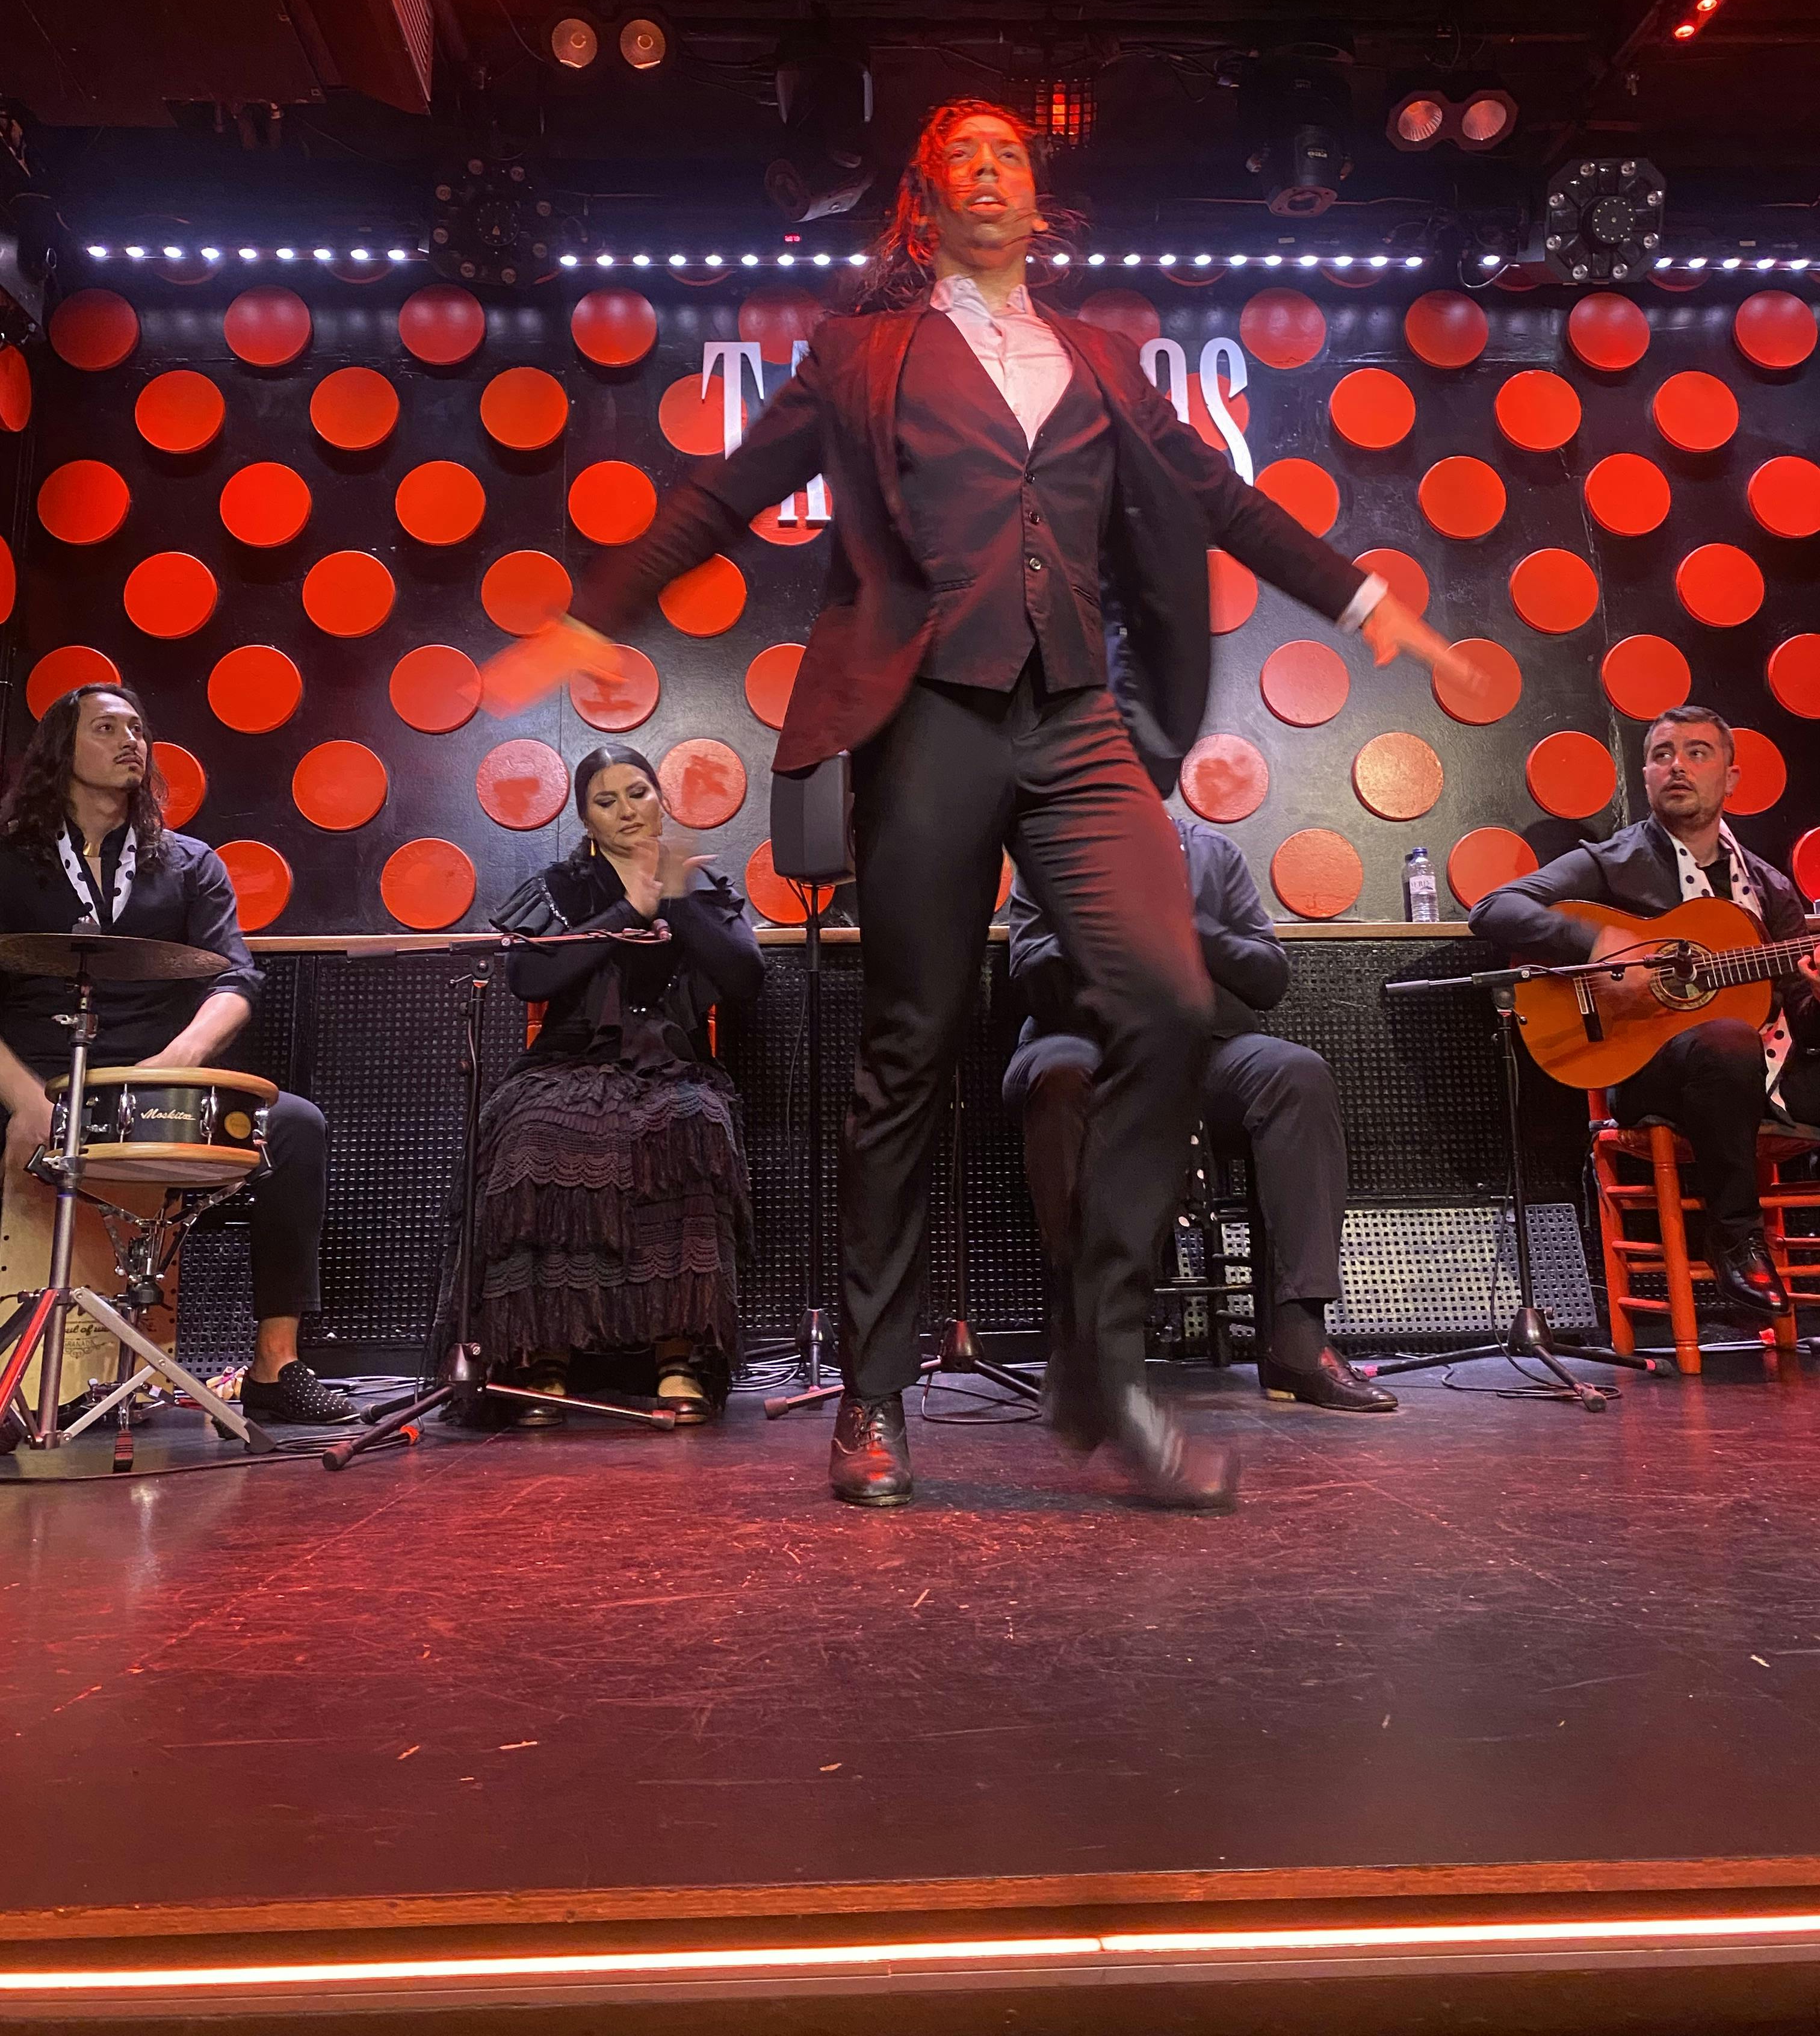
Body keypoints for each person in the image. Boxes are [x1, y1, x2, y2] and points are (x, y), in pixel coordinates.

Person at [486, 98, 1473, 1509]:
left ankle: (1105, 1370)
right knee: (911, 1050)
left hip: (1074, 717)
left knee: (1172, 1001)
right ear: (926, 202)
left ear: (1037, 196)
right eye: (966, 156)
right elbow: (729, 487)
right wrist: (602, 610)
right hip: (930, 712)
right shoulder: (860, 353)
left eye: (1012, 153)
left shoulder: (1101, 358)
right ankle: (875, 1398)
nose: (993, 171)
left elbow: (1218, 497)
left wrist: (1367, 598)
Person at [0, 683, 353, 1424]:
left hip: (152, 1083)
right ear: (61, 750)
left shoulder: (190, 864)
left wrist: (177, 1062)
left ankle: (275, 1364)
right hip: (29, 1081)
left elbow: (236, 979)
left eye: (137, 728)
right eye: (106, 728)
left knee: (296, 1128)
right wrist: (25, 1100)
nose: (130, 741)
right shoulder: (8, 861)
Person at [1005, 819, 1395, 1415]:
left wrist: (1193, 927)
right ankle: (1087, 1346)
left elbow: (1269, 978)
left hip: (1202, 1049)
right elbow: (1030, 975)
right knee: (1059, 1080)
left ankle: (1297, 1341)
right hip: (1083, 1044)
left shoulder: (1214, 855)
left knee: (1296, 1074)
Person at [1469, 704, 1820, 1317]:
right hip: (1652, 1072)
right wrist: (1594, 941)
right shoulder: (1614, 860)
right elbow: (1494, 909)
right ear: (1647, 775)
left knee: (1738, 1041)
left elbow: (1804, 1018)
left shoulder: (1769, 890)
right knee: (1727, 1039)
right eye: (1663, 754)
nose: (1677, 766)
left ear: (1731, 778)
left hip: (1769, 1075)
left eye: (1697, 753)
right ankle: (1735, 1239)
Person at [477, 742, 762, 1423]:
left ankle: (677, 1357)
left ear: (661, 800)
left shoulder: (694, 879)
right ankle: (544, 1357)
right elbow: (528, 979)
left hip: (671, 1064)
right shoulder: (561, 886)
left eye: (638, 793)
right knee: (535, 1131)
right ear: (587, 819)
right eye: (606, 801)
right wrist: (628, 909)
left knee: (693, 1124)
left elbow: (747, 977)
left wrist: (671, 893)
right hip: (568, 1063)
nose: (627, 810)